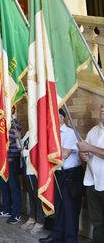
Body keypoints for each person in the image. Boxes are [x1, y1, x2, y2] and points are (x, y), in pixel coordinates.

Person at [39, 109, 84, 243]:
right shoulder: (52, 134)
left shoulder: (70, 133)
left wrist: (49, 148)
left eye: (53, 116)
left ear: (61, 118)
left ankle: (70, 239)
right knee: (58, 207)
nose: (50, 119)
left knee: (70, 209)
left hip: (71, 175)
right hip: (58, 173)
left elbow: (64, 154)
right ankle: (57, 235)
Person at [76, 104, 104, 243]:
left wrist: (89, 148)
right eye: (102, 107)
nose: (103, 110)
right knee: (97, 222)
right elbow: (84, 150)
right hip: (92, 182)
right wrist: (84, 155)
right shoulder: (94, 130)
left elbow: (89, 147)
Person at [0, 106, 22, 224]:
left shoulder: (15, 123)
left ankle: (16, 213)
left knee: (13, 186)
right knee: (3, 185)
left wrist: (0, 147)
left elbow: (10, 140)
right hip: (1, 159)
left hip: (11, 158)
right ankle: (6, 209)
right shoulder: (1, 123)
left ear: (13, 110)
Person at [20, 132, 45, 235]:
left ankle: (40, 221)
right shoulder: (29, 132)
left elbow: (41, 149)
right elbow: (22, 145)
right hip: (27, 166)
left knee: (38, 195)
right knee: (31, 193)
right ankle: (32, 217)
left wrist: (27, 153)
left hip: (36, 168)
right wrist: (19, 138)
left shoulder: (41, 130)